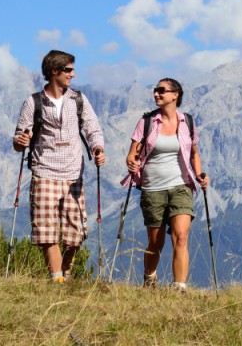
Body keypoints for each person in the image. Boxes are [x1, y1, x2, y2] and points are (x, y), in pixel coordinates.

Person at [13, 50, 106, 283]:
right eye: (68, 70)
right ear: (54, 72)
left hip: (74, 173)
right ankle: (57, 281)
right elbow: (19, 138)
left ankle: (65, 272)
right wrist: (20, 141)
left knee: (76, 234)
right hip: (44, 171)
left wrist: (98, 148)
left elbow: (92, 128)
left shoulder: (78, 100)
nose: (72, 75)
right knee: (46, 231)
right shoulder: (33, 102)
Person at [123, 78, 209, 290]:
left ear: (175, 95)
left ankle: (179, 287)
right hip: (153, 188)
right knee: (156, 243)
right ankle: (150, 278)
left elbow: (194, 154)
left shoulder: (187, 122)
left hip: (181, 186)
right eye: (155, 90)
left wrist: (199, 175)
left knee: (181, 236)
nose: (156, 94)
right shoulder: (147, 123)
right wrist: (132, 163)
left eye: (161, 90)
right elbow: (131, 154)